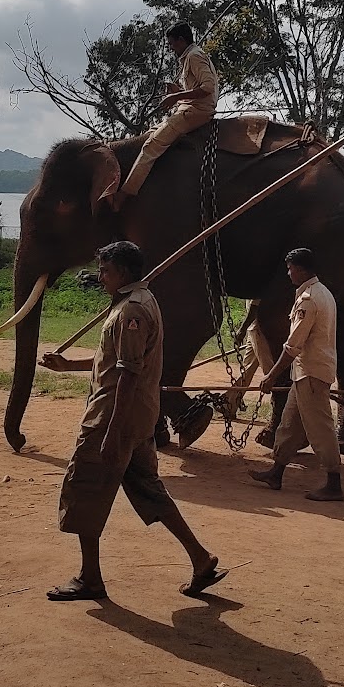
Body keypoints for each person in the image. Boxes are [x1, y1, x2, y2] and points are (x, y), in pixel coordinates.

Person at [41, 240, 225, 602]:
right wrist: (69, 365)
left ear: (122, 272)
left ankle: (89, 578)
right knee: (149, 489)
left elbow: (127, 373)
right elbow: (113, 361)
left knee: (86, 491)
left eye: (106, 271)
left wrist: (110, 433)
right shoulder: (139, 301)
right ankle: (200, 558)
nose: (101, 277)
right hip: (138, 420)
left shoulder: (131, 311)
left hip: (114, 419)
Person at [248, 248, 344, 502]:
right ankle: (276, 472)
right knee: (289, 425)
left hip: (311, 372)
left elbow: (293, 345)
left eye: (290, 268)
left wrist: (271, 376)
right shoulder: (323, 293)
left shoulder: (309, 300)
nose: (288, 273)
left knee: (321, 428)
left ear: (300, 269)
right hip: (304, 373)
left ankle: (334, 482)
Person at [115, 23, 218, 204]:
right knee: (151, 132)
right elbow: (197, 89)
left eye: (172, 44)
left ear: (181, 40)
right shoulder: (191, 56)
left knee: (151, 146)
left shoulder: (194, 56)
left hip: (196, 112)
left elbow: (207, 88)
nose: (171, 48)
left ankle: (125, 195)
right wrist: (177, 91)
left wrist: (176, 96)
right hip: (191, 107)